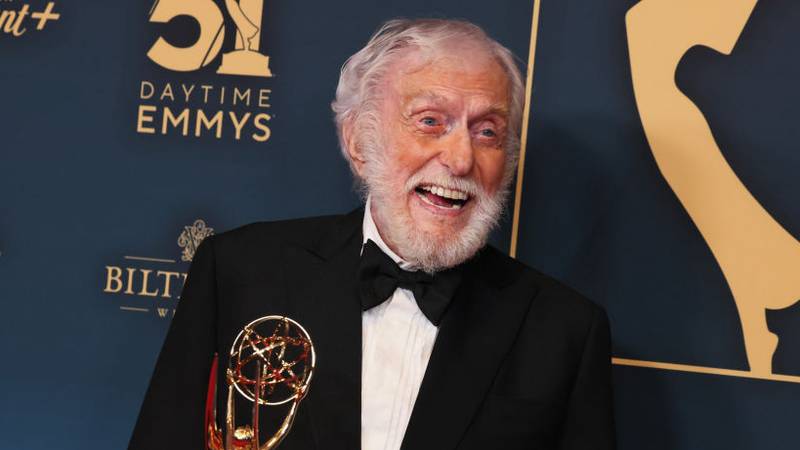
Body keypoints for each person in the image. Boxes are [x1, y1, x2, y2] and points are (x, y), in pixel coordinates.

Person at [128, 18, 615, 450]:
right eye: (430, 122)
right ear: (359, 141)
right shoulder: (238, 270)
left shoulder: (564, 331)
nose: (462, 159)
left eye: (487, 132)